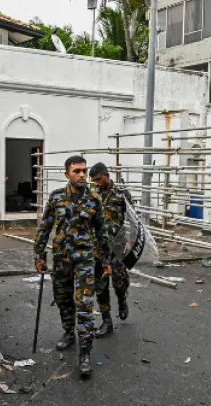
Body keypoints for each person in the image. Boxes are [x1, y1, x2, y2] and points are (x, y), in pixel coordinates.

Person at [34, 155, 112, 379]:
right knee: (63, 299)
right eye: (76, 171)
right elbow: (45, 227)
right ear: (66, 173)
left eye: (84, 171)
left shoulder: (94, 199)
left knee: (85, 306)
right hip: (61, 260)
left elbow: (102, 233)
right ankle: (69, 332)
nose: (81, 175)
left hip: (85, 261)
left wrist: (105, 260)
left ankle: (85, 354)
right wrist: (39, 255)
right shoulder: (57, 197)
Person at [88, 162, 132, 337]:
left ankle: (122, 300)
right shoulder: (93, 196)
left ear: (107, 175)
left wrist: (129, 241)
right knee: (101, 286)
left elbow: (131, 219)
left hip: (118, 247)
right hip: (98, 249)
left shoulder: (122, 195)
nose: (97, 183)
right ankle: (107, 322)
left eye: (99, 179)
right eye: (94, 181)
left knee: (120, 282)